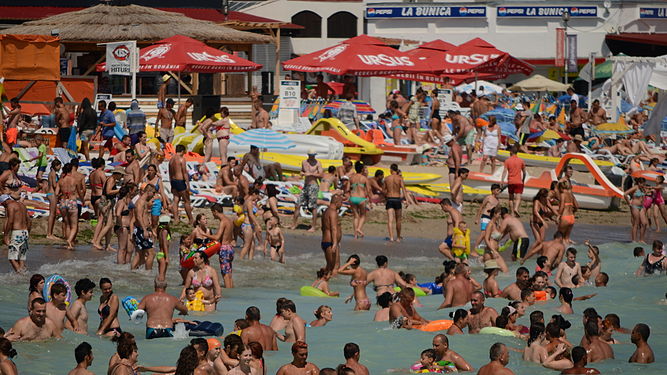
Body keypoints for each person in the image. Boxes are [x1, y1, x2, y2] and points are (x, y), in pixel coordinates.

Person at [290, 150, 321, 232]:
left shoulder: (318, 163)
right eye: (311, 155)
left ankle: (313, 226)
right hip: (306, 185)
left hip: (313, 185)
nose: (312, 157)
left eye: (313, 155)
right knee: (298, 204)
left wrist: (311, 174)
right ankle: (294, 224)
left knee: (313, 206)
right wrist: (302, 173)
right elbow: (302, 171)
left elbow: (321, 174)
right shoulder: (304, 162)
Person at [1, 194, 30, 273]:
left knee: (12, 258)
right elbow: (29, 220)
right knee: (21, 258)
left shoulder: (10, 206)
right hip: (25, 232)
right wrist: (28, 232)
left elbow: (10, 221)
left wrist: (6, 235)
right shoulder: (22, 205)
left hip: (17, 233)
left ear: (4, 202)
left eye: (3, 205)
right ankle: (24, 273)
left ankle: (20, 275)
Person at [210, 203, 235, 288]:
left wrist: (205, 234)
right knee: (229, 273)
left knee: (225, 274)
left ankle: (229, 294)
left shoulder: (223, 221)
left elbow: (217, 237)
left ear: (216, 211)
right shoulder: (229, 220)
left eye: (212, 212)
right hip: (230, 248)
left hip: (224, 249)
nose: (212, 214)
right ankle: (231, 290)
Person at [169, 144, 194, 224]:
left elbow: (170, 173)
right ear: (182, 151)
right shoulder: (181, 159)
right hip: (180, 181)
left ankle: (176, 219)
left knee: (176, 200)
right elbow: (184, 173)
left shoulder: (171, 159)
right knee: (187, 201)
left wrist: (171, 184)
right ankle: (191, 219)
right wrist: (188, 184)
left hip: (173, 181)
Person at [384, 163, 408, 242]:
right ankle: (398, 237)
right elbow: (404, 189)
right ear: (397, 170)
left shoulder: (387, 178)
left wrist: (385, 198)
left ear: (391, 170)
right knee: (398, 220)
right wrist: (406, 200)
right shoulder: (400, 178)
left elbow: (384, 190)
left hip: (390, 199)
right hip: (397, 199)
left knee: (390, 220)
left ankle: (391, 237)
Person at [321, 194, 343, 273]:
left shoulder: (326, 211)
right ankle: (321, 282)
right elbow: (333, 228)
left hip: (328, 241)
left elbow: (323, 228)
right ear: (337, 202)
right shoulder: (333, 212)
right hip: (330, 243)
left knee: (333, 267)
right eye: (341, 202)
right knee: (331, 268)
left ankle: (324, 281)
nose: (342, 204)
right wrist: (334, 243)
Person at [502, 145, 526, 217]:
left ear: (511, 152)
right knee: (518, 197)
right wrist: (523, 180)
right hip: (519, 181)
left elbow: (504, 172)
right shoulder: (521, 160)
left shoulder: (507, 160)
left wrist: (502, 181)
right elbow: (524, 172)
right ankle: (516, 208)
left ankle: (512, 212)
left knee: (511, 198)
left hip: (511, 181)